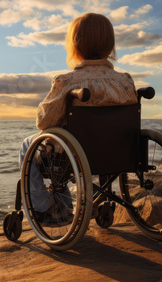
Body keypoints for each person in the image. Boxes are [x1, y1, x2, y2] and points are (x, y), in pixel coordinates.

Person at [19, 13, 138, 223]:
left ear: (76, 44)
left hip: (74, 154)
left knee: (27, 145)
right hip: (118, 151)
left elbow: (44, 122)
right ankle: (81, 204)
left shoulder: (67, 81)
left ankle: (47, 207)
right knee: (61, 144)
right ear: (109, 45)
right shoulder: (125, 82)